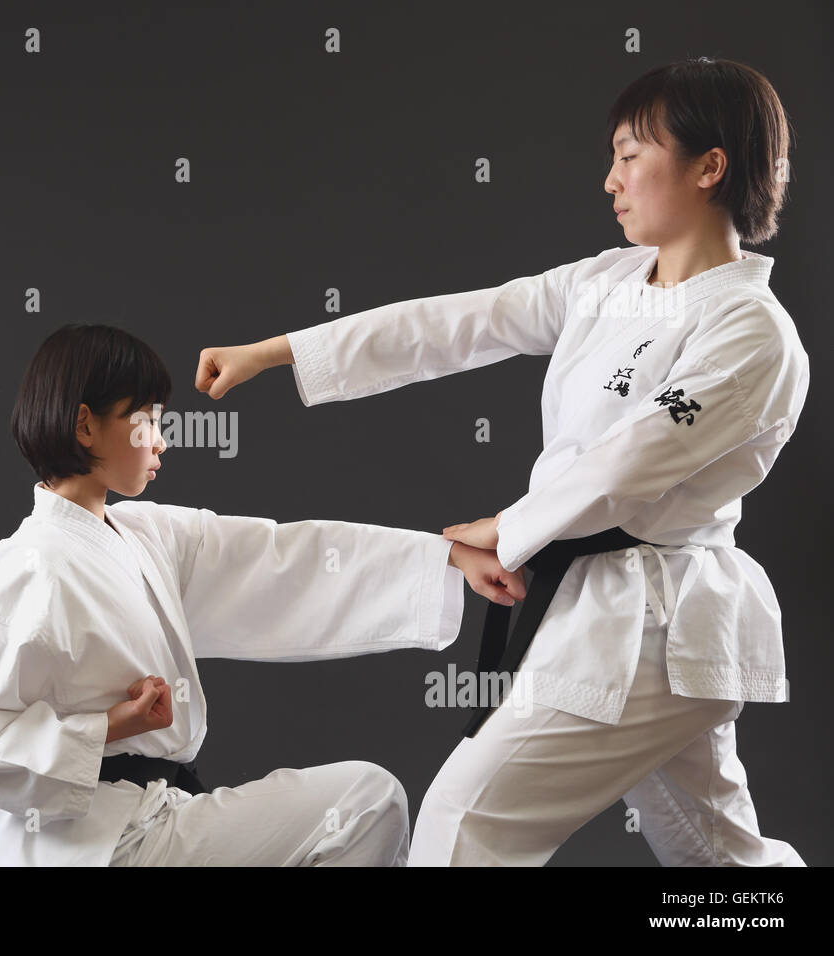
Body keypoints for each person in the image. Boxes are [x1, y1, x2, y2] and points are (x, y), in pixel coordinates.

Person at [194, 57, 808, 866]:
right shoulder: (609, 281)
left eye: (630, 156)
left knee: (464, 820)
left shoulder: (752, 331)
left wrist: (508, 529)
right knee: (720, 858)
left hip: (656, 628)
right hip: (619, 620)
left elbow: (632, 462)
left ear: (709, 166)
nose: (610, 181)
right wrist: (279, 352)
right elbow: (459, 323)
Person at [0, 323, 525, 866]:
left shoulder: (142, 535)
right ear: (84, 425)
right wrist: (105, 729)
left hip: (153, 817)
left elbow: (278, 557)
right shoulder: (36, 562)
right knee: (366, 800)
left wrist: (440, 558)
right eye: (146, 419)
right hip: (104, 841)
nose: (161, 440)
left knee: (366, 801)